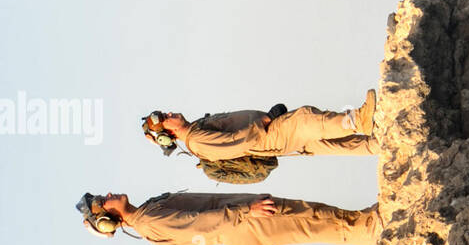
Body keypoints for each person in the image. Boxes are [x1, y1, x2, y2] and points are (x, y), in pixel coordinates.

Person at [75, 191, 382, 245]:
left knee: (313, 213)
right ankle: (376, 231)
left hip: (245, 216)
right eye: (103, 201)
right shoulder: (148, 222)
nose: (109, 194)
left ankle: (370, 222)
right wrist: (246, 212)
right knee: (313, 223)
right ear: (105, 219)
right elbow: (202, 225)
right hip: (246, 222)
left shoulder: (147, 212)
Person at [144, 89, 379, 161]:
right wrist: (266, 119)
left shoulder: (196, 131)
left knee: (324, 142)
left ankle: (378, 144)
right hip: (267, 136)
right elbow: (236, 143)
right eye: (166, 117)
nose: (171, 113)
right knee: (307, 120)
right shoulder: (196, 140)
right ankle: (359, 119)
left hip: (267, 134)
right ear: (168, 133)